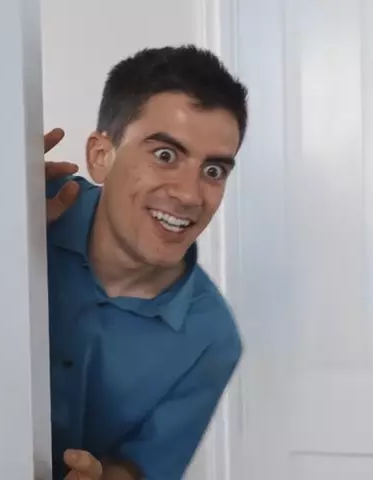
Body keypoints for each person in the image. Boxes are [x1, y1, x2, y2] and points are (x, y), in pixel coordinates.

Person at [43, 45, 248, 479]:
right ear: (101, 155)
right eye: (165, 155)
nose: (189, 195)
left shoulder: (213, 338)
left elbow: (139, 468)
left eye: (214, 171)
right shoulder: (30, 205)